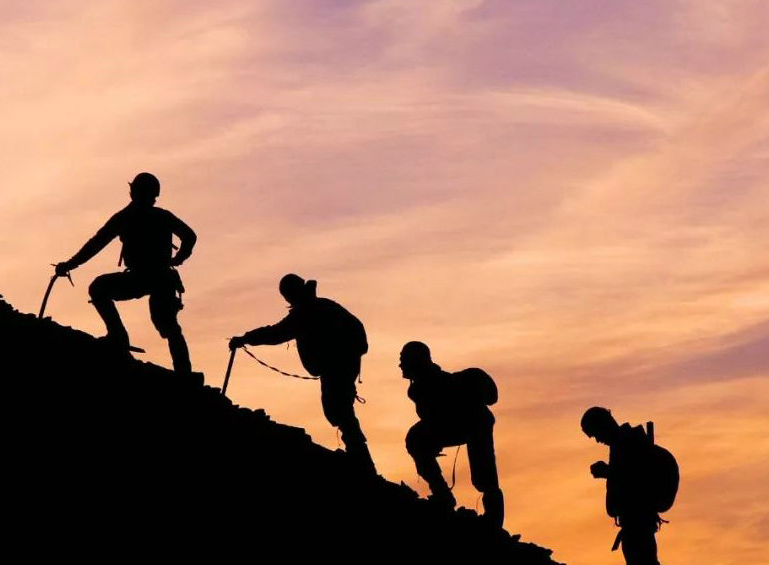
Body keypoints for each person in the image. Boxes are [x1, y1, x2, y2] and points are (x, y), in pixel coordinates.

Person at [229, 275, 376, 475]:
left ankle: (361, 461)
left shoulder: (306, 313)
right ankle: (360, 458)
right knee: (339, 411)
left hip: (336, 368)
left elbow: (276, 333)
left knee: (339, 410)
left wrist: (245, 338)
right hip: (344, 366)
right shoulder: (323, 306)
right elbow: (356, 329)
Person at [55, 173, 197, 374]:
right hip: (157, 277)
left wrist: (70, 264)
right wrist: (178, 259)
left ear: (133, 192)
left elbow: (97, 243)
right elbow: (189, 236)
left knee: (102, 289)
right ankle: (182, 372)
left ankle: (119, 337)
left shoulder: (126, 218)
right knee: (168, 325)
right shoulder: (156, 217)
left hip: (150, 278)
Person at [400, 341, 504, 527]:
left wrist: (432, 441)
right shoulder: (419, 388)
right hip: (468, 423)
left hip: (476, 422)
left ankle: (490, 517)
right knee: (416, 439)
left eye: (404, 360)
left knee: (483, 473)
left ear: (416, 361)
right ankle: (443, 495)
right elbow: (435, 421)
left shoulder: (426, 385)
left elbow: (438, 416)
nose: (400, 365)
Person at [580, 406, 670, 565]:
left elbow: (635, 477)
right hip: (634, 519)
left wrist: (608, 472)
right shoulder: (623, 443)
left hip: (639, 518)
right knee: (642, 564)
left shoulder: (628, 442)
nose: (597, 440)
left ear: (603, 425)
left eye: (595, 434)